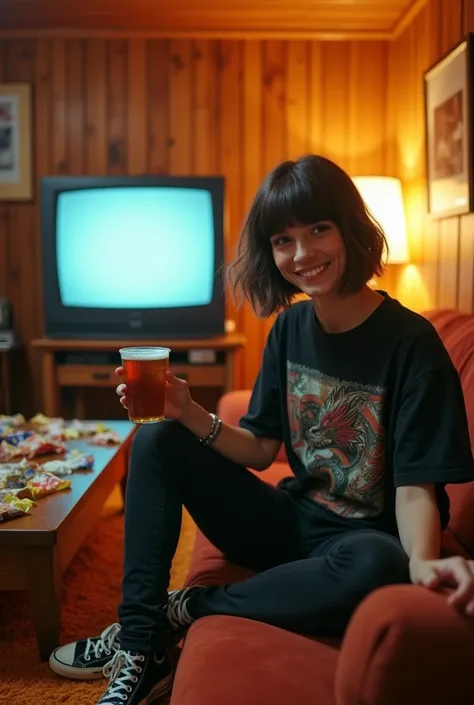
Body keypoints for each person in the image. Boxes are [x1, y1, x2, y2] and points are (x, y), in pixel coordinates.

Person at [49, 154, 474, 705]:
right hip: (289, 520)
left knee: (380, 563)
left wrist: (421, 562)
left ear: (351, 228)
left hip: (361, 543)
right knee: (156, 435)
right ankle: (139, 641)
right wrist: (184, 409)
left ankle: (185, 609)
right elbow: (258, 450)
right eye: (283, 240)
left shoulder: (411, 344)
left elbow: (417, 487)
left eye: (318, 229)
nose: (302, 254)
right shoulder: (290, 327)